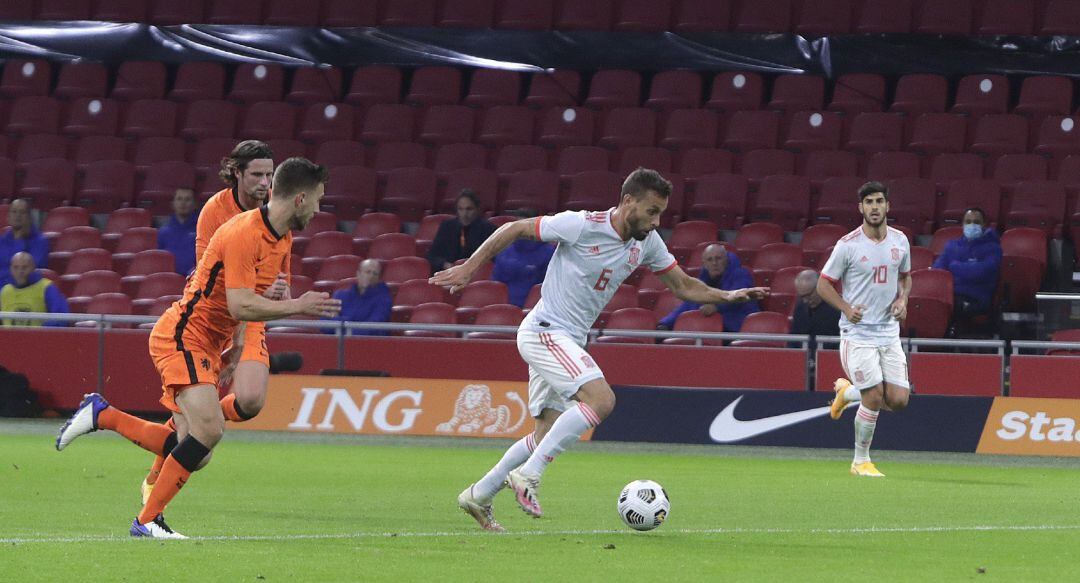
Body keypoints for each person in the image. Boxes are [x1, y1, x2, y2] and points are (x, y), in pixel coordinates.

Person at [431, 168, 768, 531]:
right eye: (652, 211)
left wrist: (728, 295)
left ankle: (478, 495)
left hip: (568, 339)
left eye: (661, 213)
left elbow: (683, 285)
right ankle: (529, 475)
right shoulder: (581, 225)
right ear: (627, 202)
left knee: (544, 434)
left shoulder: (647, 242)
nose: (657, 221)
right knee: (602, 400)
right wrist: (470, 268)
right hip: (546, 330)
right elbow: (515, 228)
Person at [55, 158, 340, 538]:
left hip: (210, 341)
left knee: (197, 451)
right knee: (210, 428)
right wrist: (298, 306)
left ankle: (102, 415)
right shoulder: (243, 232)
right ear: (300, 198)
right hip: (183, 335)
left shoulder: (282, 236)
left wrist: (236, 346)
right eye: (319, 200)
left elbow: (240, 302)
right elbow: (240, 304)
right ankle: (146, 521)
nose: (320, 209)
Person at [137, 140, 279, 506]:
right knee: (201, 449)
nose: (266, 183)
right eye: (258, 175)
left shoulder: (276, 213)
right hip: (219, 311)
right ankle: (152, 494)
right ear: (237, 173)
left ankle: (186, 425)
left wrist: (279, 294)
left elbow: (280, 276)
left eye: (270, 174)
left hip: (252, 307)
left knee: (250, 400)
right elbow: (210, 279)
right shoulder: (215, 211)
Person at [818, 181, 912, 479]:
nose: (874, 207)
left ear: (888, 206)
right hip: (857, 336)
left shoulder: (900, 241)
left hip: (888, 332)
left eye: (879, 201)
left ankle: (847, 393)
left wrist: (903, 298)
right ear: (860, 208)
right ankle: (860, 461)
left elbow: (906, 277)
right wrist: (846, 308)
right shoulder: (848, 245)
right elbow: (823, 285)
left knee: (898, 400)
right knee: (873, 396)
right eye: (869, 202)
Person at [931, 207, 1002, 336]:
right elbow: (938, 271)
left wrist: (954, 267)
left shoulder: (994, 248)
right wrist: (966, 269)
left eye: (976, 222)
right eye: (968, 222)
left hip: (977, 299)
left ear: (984, 225)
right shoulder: (952, 246)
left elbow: (980, 272)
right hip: (949, 295)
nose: (972, 225)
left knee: (952, 308)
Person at [657, 243, 759, 332]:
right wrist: (665, 324)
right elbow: (688, 304)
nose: (714, 263)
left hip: (740, 327)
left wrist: (716, 307)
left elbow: (737, 297)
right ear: (705, 264)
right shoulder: (703, 280)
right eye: (710, 260)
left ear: (726, 260)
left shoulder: (741, 274)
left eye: (718, 258)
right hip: (713, 329)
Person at [427, 189, 496, 274]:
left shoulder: (489, 229)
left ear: (477, 209)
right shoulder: (446, 227)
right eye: (461, 209)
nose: (464, 214)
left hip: (478, 276)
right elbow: (432, 255)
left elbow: (495, 259)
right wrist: (445, 264)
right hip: (449, 275)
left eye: (469, 209)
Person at [324, 258, 392, 335]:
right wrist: (354, 323)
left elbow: (373, 329)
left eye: (375, 274)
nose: (371, 276)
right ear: (358, 274)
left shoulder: (384, 300)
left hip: (367, 344)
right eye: (368, 272)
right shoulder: (340, 295)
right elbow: (324, 324)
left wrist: (341, 320)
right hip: (336, 343)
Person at [0, 251, 69, 327]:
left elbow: (61, 317)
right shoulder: (4, 291)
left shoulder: (47, 287)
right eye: (16, 267)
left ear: (33, 268)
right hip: (7, 338)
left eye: (24, 267)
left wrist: (40, 333)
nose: (20, 272)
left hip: (38, 337)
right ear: (10, 269)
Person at [491, 238, 555, 307]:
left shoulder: (549, 252)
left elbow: (552, 286)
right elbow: (495, 284)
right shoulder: (504, 250)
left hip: (537, 309)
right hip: (503, 310)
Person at [0, 199, 49, 286]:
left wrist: (19, 240)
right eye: (14, 212)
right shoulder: (2, 240)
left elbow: (27, 272)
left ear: (29, 218)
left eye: (22, 212)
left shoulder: (40, 241)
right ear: (8, 217)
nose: (17, 215)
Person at [790, 269, 840, 347]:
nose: (805, 300)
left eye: (808, 295)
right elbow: (794, 339)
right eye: (802, 296)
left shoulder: (838, 307)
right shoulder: (800, 307)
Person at [156, 187, 199, 276]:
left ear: (195, 204)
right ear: (173, 204)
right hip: (168, 281)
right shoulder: (163, 232)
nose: (183, 203)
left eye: (187, 199)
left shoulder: (202, 230)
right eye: (179, 199)